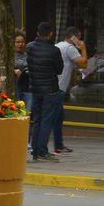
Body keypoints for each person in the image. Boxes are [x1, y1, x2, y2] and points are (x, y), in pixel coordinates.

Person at [24, 22, 64, 162]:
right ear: (50, 34)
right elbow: (59, 70)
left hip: (35, 88)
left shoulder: (29, 47)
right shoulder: (54, 50)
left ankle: (34, 150)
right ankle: (42, 150)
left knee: (37, 120)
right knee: (46, 120)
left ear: (38, 32)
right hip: (50, 89)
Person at [53, 27, 88, 155]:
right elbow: (83, 63)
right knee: (55, 117)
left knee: (57, 116)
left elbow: (72, 66)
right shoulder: (70, 48)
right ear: (73, 37)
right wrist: (83, 48)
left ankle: (58, 145)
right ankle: (54, 146)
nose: (80, 40)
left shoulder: (58, 46)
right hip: (59, 88)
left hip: (53, 86)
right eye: (78, 37)